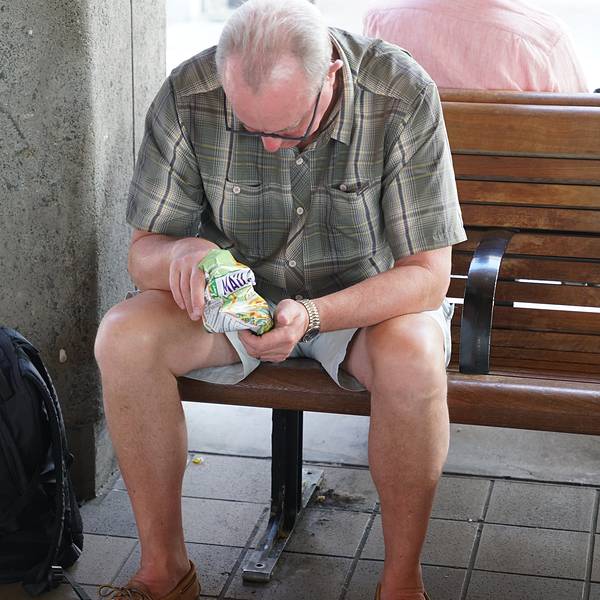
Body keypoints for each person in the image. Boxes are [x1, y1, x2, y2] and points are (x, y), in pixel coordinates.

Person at [94, 0, 467, 599]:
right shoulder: (190, 93)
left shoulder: (400, 92)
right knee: (123, 335)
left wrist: (316, 314)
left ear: (332, 76)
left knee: (414, 357)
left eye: (289, 128)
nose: (270, 146)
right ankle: (165, 574)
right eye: (251, 127)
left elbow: (427, 276)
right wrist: (181, 253)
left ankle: (401, 584)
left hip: (361, 306)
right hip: (233, 303)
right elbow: (143, 255)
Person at [363, 0, 590, 92]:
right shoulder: (543, 38)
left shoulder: (379, 22)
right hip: (517, 180)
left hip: (410, 181)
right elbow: (583, 130)